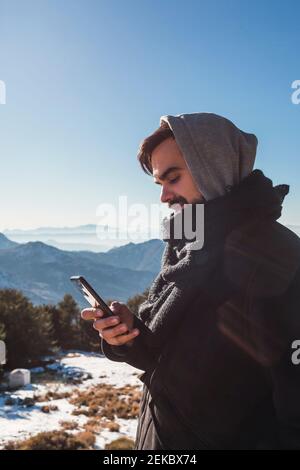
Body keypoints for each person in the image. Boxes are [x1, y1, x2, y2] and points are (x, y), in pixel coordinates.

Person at [81, 113, 300, 449]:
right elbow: (161, 360)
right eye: (160, 184)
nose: (164, 197)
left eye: (174, 178)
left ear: (214, 168)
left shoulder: (277, 258)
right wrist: (125, 337)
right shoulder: (188, 249)